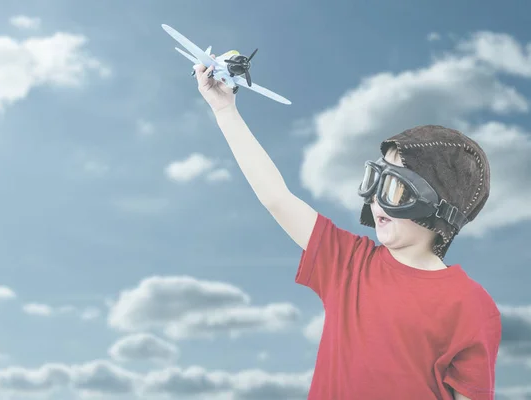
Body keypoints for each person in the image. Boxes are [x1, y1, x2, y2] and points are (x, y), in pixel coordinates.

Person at [192, 59, 501, 400]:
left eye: (395, 188)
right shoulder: (349, 262)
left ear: (438, 207)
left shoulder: (472, 306)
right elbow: (276, 198)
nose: (377, 202)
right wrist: (225, 111)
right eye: (376, 181)